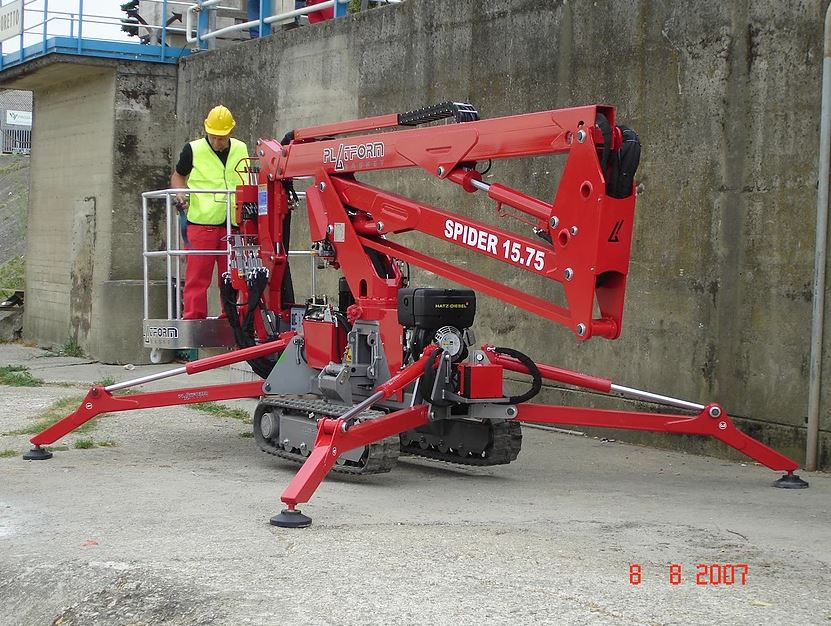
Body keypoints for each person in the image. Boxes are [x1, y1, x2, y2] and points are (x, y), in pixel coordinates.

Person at [170, 105, 249, 320]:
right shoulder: (193, 149)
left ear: (230, 133)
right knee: (197, 278)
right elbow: (178, 176)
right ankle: (194, 322)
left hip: (233, 225)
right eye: (213, 137)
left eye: (221, 138)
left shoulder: (242, 149)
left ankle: (232, 322)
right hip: (201, 224)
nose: (216, 142)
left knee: (234, 278)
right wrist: (181, 194)